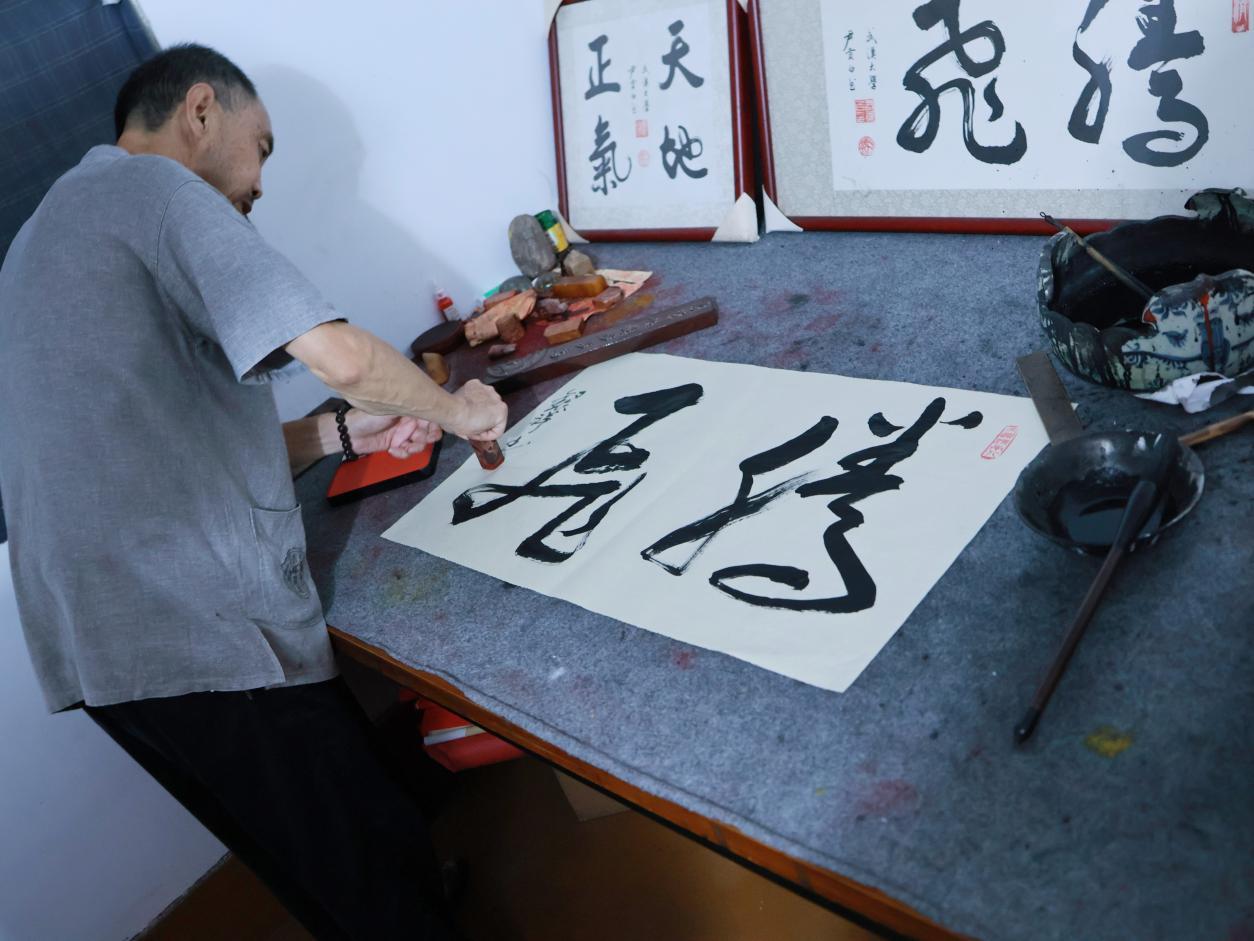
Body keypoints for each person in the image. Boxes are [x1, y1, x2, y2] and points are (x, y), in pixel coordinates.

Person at [0, 44, 506, 940]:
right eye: (262, 146)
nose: (261, 184)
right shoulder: (157, 191)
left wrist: (344, 433)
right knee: (366, 849)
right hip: (190, 622)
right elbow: (339, 354)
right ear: (200, 112)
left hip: (97, 651)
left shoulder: (40, 237)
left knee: (305, 857)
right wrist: (459, 409)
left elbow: (169, 449)